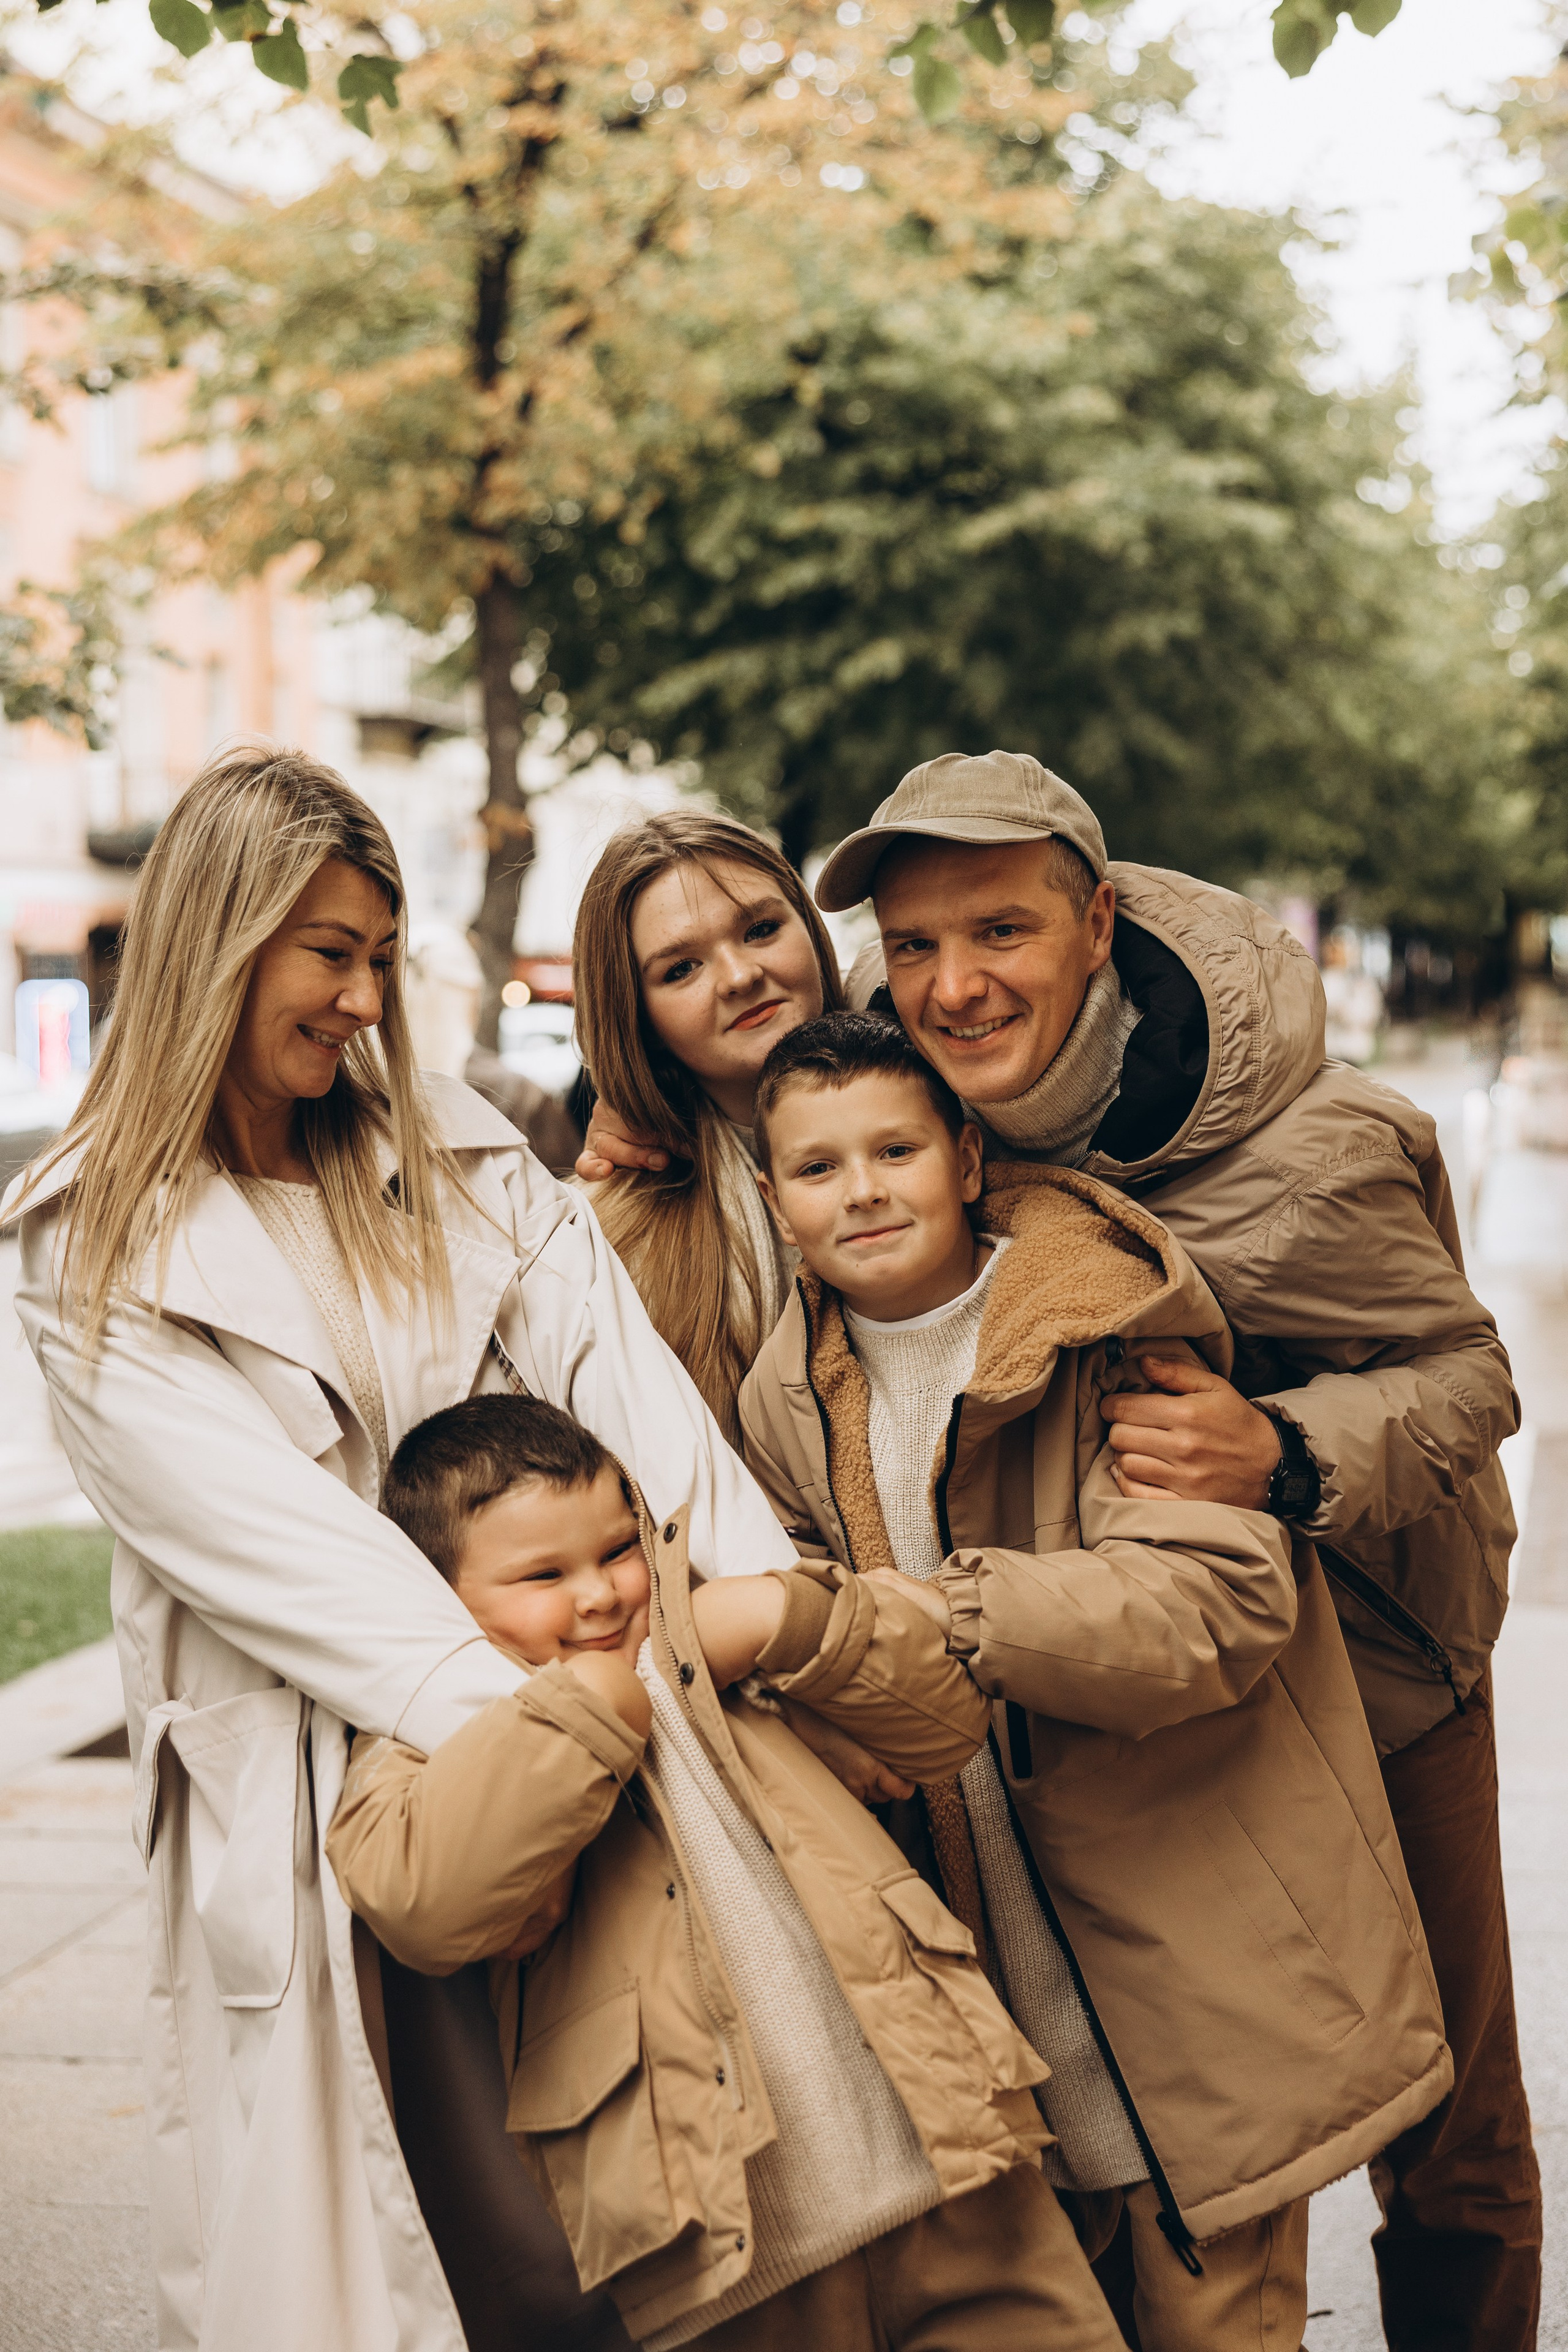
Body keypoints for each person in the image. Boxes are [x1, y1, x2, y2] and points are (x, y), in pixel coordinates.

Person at [581, 751, 1534, 2352]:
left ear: (1093, 926)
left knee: (1432, 2123)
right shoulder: (834, 1112)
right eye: (676, 968)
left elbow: (1470, 1380)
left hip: (1373, 1647)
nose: (956, 981)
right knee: (1157, 2127)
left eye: (754, 933)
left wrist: (1284, 1450)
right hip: (1080, 1700)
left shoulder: (1288, 1132)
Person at [3, 745, 800, 2352]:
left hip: (564, 1748)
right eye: (330, 954)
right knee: (369, 2257)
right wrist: (560, 1726)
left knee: (614, 2241)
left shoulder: (463, 1163)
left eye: (382, 954)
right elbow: (272, 1546)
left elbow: (631, 1408)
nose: (368, 997)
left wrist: (769, 1608)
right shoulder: (89, 1243)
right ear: (221, 942)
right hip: (329, 1790)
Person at [734, 1009, 1452, 2352]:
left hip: (1188, 1977)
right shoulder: (780, 1398)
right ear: (773, 1205)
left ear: (963, 1158)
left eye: (894, 1148)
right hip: (997, 1999)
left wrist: (933, 1612)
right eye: (819, 1168)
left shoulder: (1100, 1329)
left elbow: (1212, 1600)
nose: (864, 1189)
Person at [328, 1388, 1131, 2352]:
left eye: (620, 1550)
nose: (601, 1595)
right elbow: (421, 1899)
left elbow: (944, 1718)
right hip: (732, 2263)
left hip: (959, 2171)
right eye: (543, 1575)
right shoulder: (434, 1740)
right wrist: (589, 1702)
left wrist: (779, 1615)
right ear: (437, 1599)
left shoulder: (720, 1654)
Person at [571, 810, 843, 1446]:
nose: (740, 976)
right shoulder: (605, 1251)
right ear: (637, 1018)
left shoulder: (954, 1106)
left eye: (761, 929)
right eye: (681, 969)